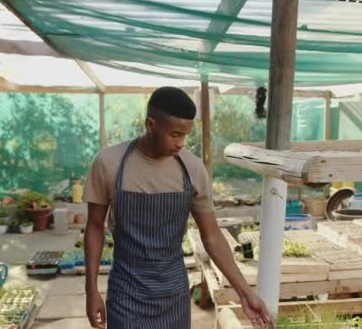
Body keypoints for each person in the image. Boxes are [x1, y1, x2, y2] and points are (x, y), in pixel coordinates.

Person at [83, 86, 273, 329]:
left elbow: (212, 236)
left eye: (185, 135)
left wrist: (245, 292)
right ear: (150, 125)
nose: (181, 143)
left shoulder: (192, 170)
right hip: (126, 292)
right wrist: (91, 291)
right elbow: (95, 227)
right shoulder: (109, 163)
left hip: (173, 293)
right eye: (174, 134)